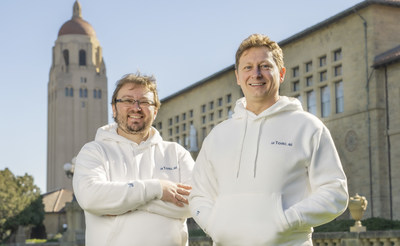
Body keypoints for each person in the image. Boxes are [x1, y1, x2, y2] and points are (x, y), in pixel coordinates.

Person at [189, 34, 349, 245]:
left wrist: (287, 220)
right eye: (248, 67)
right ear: (238, 76)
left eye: (264, 66)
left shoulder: (308, 127)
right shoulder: (218, 136)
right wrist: (214, 225)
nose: (256, 74)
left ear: (281, 73)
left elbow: (335, 192)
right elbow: (199, 195)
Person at [73, 73, 194, 246]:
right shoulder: (94, 151)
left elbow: (196, 203)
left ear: (155, 110)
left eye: (144, 102)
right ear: (114, 108)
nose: (136, 107)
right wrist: (157, 188)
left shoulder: (176, 153)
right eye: (128, 100)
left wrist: (121, 203)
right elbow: (90, 198)